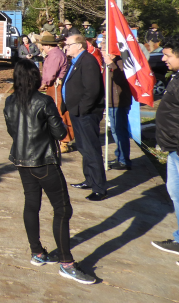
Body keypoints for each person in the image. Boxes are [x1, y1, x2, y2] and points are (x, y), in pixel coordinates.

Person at [4, 59, 96, 284]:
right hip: (44, 162)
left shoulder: (9, 101)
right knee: (63, 210)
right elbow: (59, 133)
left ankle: (37, 252)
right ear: (35, 77)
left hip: (22, 161)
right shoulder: (44, 101)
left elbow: (12, 131)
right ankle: (66, 263)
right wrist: (56, 124)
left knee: (31, 204)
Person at [63, 34, 106, 201]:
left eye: (68, 44)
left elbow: (92, 90)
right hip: (76, 112)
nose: (66, 46)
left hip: (86, 114)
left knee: (91, 150)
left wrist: (81, 109)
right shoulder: (76, 61)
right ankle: (89, 180)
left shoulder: (87, 61)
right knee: (83, 147)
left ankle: (99, 188)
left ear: (79, 46)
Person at [152, 35, 179, 258]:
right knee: (175, 192)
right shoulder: (176, 76)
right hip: (173, 149)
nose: (163, 58)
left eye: (168, 55)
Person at [39, 33, 72, 153]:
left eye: (43, 45)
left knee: (59, 112)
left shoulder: (54, 55)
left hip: (56, 86)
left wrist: (42, 84)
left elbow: (50, 74)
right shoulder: (54, 54)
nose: (42, 47)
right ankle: (60, 139)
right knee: (58, 111)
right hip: (54, 85)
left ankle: (64, 141)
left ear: (47, 45)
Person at [101, 50, 133, 171]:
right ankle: (119, 156)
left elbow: (122, 80)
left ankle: (124, 160)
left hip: (119, 102)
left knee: (120, 131)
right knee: (115, 130)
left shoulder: (120, 62)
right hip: (110, 101)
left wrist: (111, 64)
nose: (101, 51)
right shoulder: (107, 62)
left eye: (103, 49)